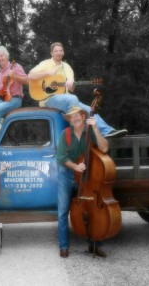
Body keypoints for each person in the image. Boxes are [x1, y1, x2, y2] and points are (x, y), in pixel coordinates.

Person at [28, 42, 127, 138]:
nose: (58, 52)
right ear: (51, 53)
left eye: (60, 50)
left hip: (66, 99)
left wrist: (71, 84)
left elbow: (71, 88)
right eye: (56, 51)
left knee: (89, 110)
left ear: (63, 52)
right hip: (48, 99)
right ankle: (78, 134)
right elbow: (30, 75)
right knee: (73, 98)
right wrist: (48, 73)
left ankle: (107, 131)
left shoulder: (67, 67)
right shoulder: (45, 64)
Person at [57, 106, 108, 258]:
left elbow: (104, 148)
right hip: (66, 174)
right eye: (72, 117)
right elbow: (61, 158)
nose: (75, 118)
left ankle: (95, 245)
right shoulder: (65, 134)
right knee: (62, 211)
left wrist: (96, 129)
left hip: (86, 175)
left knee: (91, 208)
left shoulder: (90, 132)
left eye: (77, 115)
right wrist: (75, 166)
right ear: (70, 121)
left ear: (83, 117)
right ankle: (64, 246)